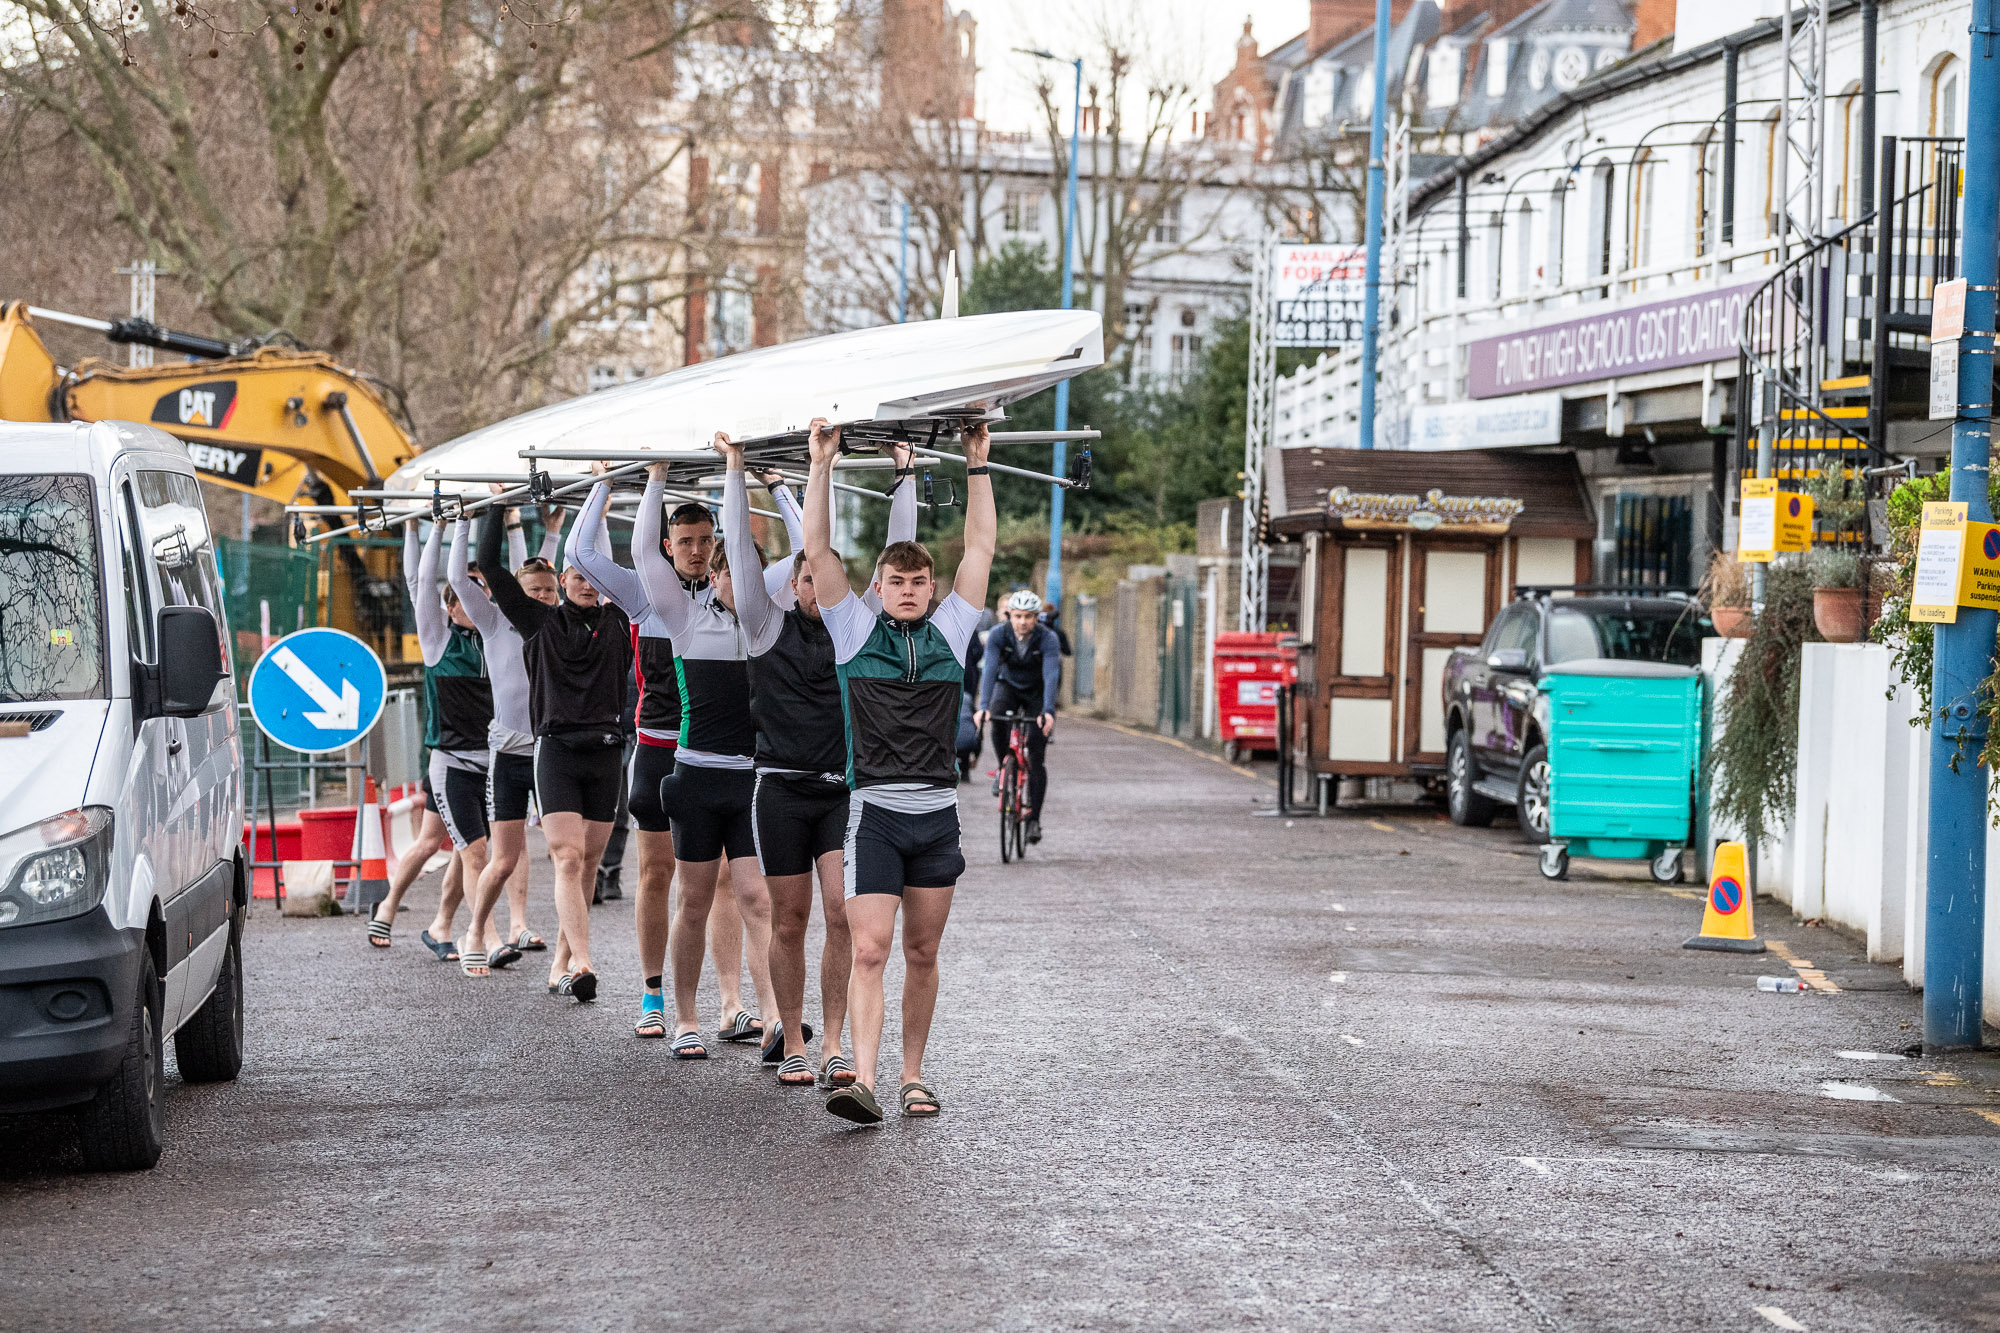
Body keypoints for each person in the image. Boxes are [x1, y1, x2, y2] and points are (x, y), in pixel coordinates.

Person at [803, 416, 995, 1125]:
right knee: (872, 948)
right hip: (875, 813)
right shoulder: (852, 629)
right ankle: (867, 1079)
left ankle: (914, 1075)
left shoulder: (950, 630)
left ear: (931, 585)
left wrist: (978, 464)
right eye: (897, 581)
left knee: (922, 949)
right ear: (878, 585)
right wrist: (821, 464)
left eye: (919, 581)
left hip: (936, 815)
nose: (909, 590)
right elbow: (817, 548)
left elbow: (980, 544)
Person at [570, 468, 805, 1041]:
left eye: (707, 542)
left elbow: (806, 554)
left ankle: (734, 1003)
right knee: (659, 875)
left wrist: (775, 485)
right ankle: (657, 996)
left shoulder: (744, 600)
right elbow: (582, 551)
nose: (698, 552)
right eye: (686, 542)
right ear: (667, 546)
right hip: (661, 752)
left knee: (737, 884)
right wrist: (621, 484)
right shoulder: (649, 596)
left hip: (731, 758)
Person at [727, 433, 918, 1087]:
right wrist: (736, 471)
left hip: (841, 790)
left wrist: (904, 474)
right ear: (791, 580)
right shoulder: (761, 623)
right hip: (779, 789)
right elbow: (738, 552)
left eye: (823, 573)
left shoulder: (856, 625)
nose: (814, 583)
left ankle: (835, 1039)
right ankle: (795, 1035)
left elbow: (899, 553)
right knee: (791, 917)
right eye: (804, 574)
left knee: (843, 912)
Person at [461, 505, 631, 1001]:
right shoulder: (538, 620)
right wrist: (496, 507)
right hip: (555, 749)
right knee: (567, 858)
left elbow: (634, 557)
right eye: (576, 575)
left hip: (605, 752)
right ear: (562, 579)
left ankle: (561, 960)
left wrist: (607, 493)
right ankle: (582, 959)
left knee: (590, 864)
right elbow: (490, 568)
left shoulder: (622, 619)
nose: (586, 584)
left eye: (593, 576)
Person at [450, 506, 564, 958]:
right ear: (517, 592)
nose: (541, 598)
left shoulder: (559, 622)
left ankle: (562, 954)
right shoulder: (496, 620)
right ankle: (476, 931)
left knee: (565, 856)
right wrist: (464, 521)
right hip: (509, 753)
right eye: (532, 591)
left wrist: (551, 536)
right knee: (505, 857)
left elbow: (556, 575)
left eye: (548, 592)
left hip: (551, 751)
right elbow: (462, 581)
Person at [975, 589, 1062, 844]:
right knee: (998, 720)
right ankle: (1005, 767)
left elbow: (1050, 677)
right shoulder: (998, 635)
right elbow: (989, 670)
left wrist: (1047, 712)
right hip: (1008, 686)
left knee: (1036, 754)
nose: (1022, 621)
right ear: (1008, 615)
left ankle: (1034, 819)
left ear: (1036, 618)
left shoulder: (1048, 639)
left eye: (1028, 616)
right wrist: (984, 707)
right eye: (1017, 616)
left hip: (1036, 692)